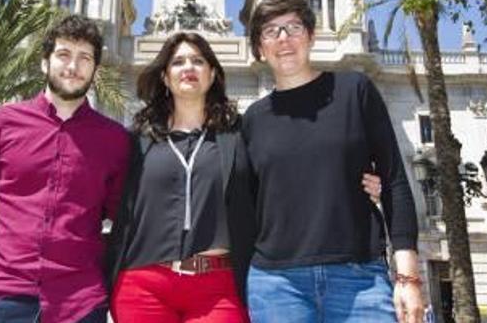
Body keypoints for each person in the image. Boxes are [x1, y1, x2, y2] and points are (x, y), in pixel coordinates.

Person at [106, 32, 383, 323]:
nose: (188, 68)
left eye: (198, 61)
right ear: (165, 76)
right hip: (143, 285)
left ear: (212, 74)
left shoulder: (239, 134)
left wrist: (353, 179)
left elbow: (287, 171)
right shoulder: (137, 140)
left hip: (217, 286)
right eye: (177, 62)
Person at [243, 0, 424, 323]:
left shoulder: (355, 90)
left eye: (293, 27)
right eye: (270, 31)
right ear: (258, 48)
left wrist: (408, 278)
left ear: (311, 35)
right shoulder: (252, 119)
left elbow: (395, 179)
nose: (283, 38)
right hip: (277, 285)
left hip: (360, 278)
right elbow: (246, 206)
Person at [0, 15, 131, 323]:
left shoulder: (115, 140)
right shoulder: (1, 122)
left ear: (95, 70)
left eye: (84, 58)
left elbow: (125, 224)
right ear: (44, 63)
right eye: (63, 55)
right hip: (1, 298)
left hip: (81, 305)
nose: (73, 66)